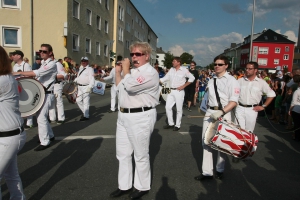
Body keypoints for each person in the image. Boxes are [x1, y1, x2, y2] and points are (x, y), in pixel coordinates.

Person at [110, 41, 159, 200]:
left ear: (147, 56)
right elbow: (120, 89)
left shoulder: (149, 72)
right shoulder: (132, 72)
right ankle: (124, 186)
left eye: (138, 54)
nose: (134, 57)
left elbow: (130, 87)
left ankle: (142, 186)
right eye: (132, 54)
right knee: (122, 154)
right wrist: (118, 73)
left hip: (141, 116)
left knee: (140, 154)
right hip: (124, 115)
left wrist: (125, 70)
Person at [194, 55, 240, 181]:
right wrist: (204, 109)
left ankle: (220, 170)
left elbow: (234, 101)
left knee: (221, 143)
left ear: (226, 66)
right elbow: (208, 98)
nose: (217, 66)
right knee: (206, 142)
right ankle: (207, 172)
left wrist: (222, 111)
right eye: (215, 64)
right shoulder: (211, 79)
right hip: (210, 112)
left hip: (224, 113)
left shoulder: (232, 81)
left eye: (220, 64)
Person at [13, 44, 57, 151]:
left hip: (47, 93)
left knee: (41, 118)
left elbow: (37, 73)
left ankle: (45, 142)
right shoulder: (43, 62)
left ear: (50, 53)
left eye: (44, 51)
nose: (41, 53)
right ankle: (50, 136)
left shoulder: (51, 64)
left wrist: (18, 73)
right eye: (40, 51)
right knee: (40, 117)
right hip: (42, 92)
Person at [0, 45, 26, 199]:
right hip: (9, 135)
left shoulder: (3, 80)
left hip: (8, 137)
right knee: (11, 175)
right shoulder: (7, 78)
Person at [235, 62, 275, 132]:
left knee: (249, 132)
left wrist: (263, 106)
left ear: (255, 70)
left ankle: (247, 143)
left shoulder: (261, 82)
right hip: (239, 108)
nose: (247, 70)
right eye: (246, 68)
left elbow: (272, 94)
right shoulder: (239, 81)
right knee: (238, 130)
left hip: (252, 109)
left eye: (250, 69)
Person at [160, 57, 195, 131]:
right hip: (171, 91)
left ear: (179, 62)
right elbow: (165, 78)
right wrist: (158, 80)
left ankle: (177, 125)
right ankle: (171, 123)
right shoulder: (171, 70)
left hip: (179, 91)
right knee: (168, 107)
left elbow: (192, 78)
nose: (173, 62)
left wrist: (183, 86)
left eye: (174, 61)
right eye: (173, 61)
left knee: (178, 109)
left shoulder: (184, 70)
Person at [11, 50, 34, 130]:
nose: (13, 56)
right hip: (18, 86)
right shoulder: (15, 66)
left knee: (28, 104)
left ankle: (29, 122)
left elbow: (30, 76)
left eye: (14, 55)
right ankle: (21, 121)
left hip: (26, 86)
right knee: (20, 104)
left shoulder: (26, 65)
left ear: (19, 56)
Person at [74, 57, 95, 121]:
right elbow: (79, 77)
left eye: (85, 61)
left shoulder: (90, 69)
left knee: (86, 102)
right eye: (82, 61)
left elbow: (92, 78)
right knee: (78, 100)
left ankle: (86, 116)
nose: (83, 62)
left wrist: (90, 87)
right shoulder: (81, 68)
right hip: (80, 87)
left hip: (86, 87)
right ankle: (85, 112)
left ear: (87, 62)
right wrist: (76, 80)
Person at [49, 54, 67, 124]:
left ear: (52, 57)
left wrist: (52, 77)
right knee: (51, 101)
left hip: (57, 84)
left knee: (58, 101)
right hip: (50, 85)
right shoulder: (46, 64)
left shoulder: (58, 64)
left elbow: (63, 75)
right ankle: (52, 118)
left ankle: (61, 118)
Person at [289, 75, 300, 140]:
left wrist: (290, 110)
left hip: (296, 109)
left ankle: (297, 137)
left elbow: (293, 102)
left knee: (297, 124)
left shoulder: (297, 91)